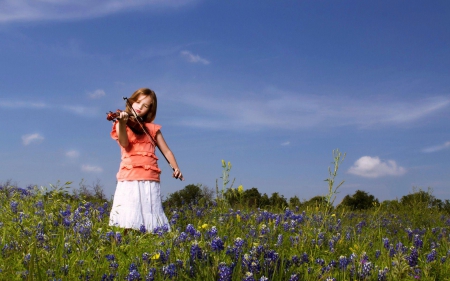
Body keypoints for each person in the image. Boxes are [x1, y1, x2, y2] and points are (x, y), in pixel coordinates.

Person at [109, 88, 183, 233]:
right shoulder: (121, 123)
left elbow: (166, 151)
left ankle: (149, 245)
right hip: (129, 176)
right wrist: (123, 124)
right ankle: (127, 248)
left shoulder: (152, 129)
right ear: (131, 101)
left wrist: (175, 167)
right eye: (137, 102)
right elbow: (124, 143)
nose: (140, 107)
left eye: (145, 106)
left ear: (150, 110)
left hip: (150, 178)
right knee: (128, 216)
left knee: (151, 214)